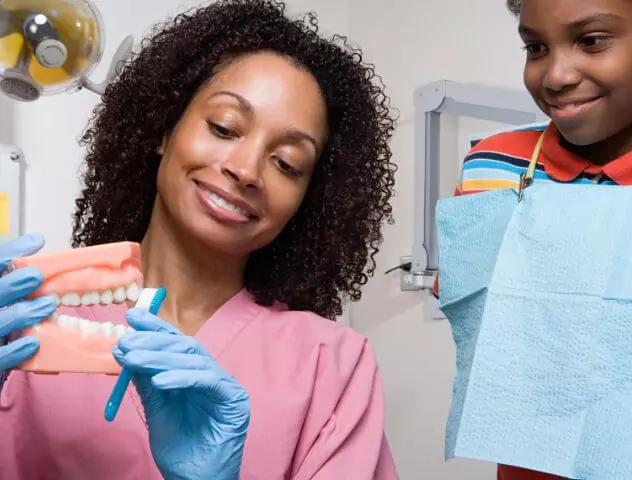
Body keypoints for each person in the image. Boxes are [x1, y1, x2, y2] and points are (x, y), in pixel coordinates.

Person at [0, 0, 400, 478]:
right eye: (224, 127)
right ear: (164, 128)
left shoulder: (331, 366)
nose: (246, 170)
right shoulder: (23, 322)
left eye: (287, 163)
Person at [435, 0, 632, 479]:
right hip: (533, 464)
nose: (556, 76)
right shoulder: (493, 166)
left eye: (591, 41)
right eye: (536, 47)